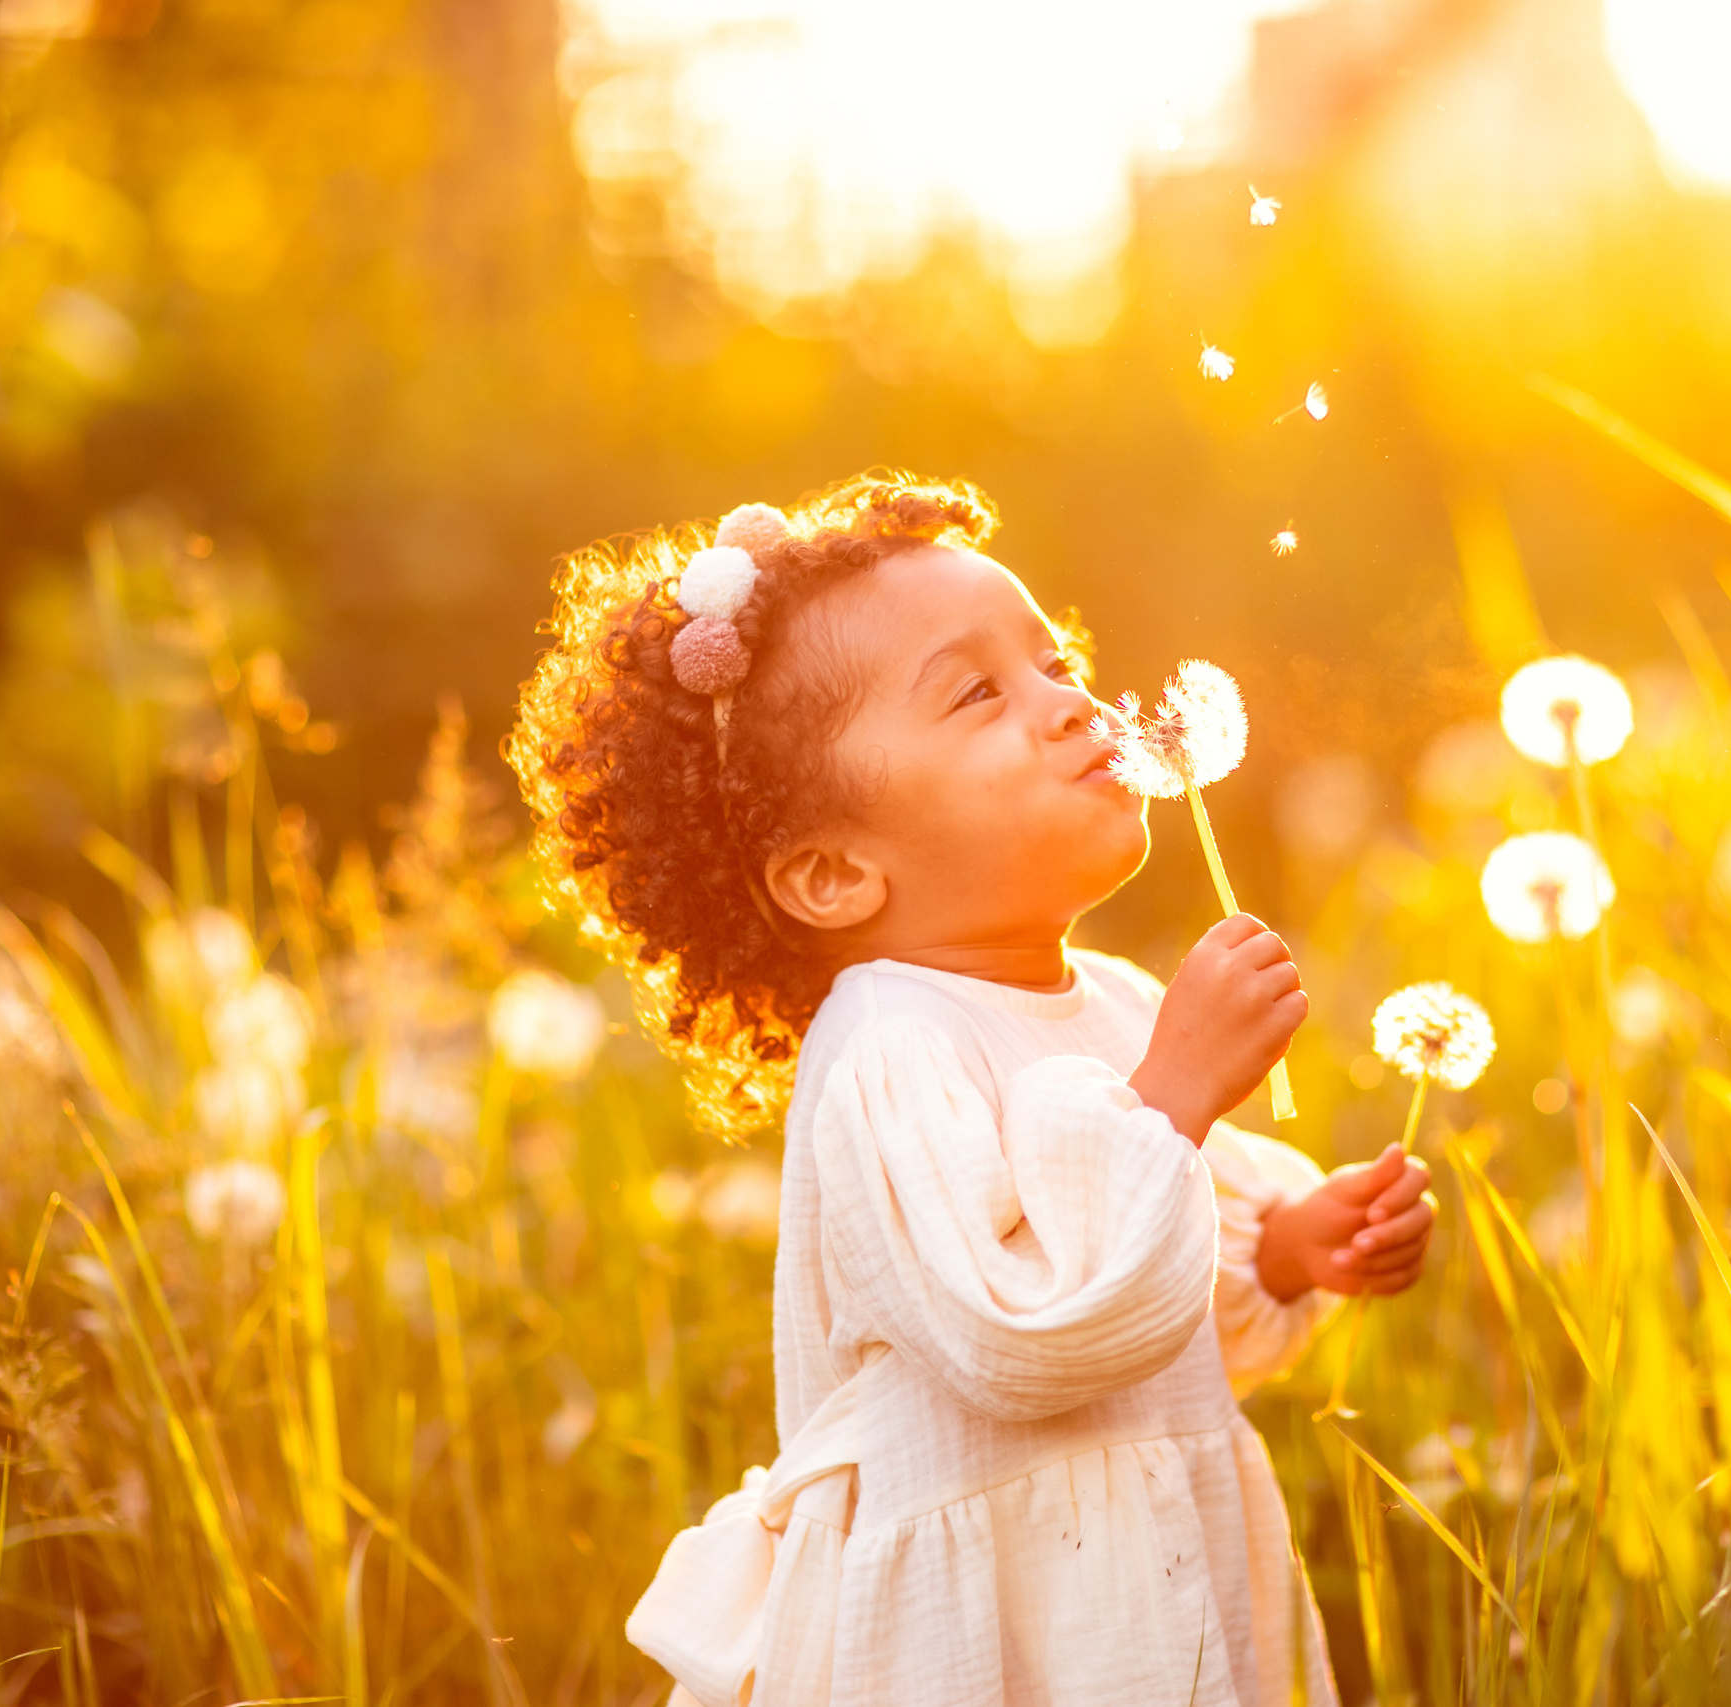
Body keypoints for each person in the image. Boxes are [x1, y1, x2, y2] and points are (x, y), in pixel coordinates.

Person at [508, 470, 1436, 1706]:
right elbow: (1021, 1337)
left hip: (1149, 1589)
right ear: (834, 874)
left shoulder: (1112, 1002)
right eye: (978, 693)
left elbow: (1133, 1319)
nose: (1070, 706)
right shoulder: (890, 1048)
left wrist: (1278, 1253)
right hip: (985, 1641)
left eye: (1055, 664)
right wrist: (1169, 1097)